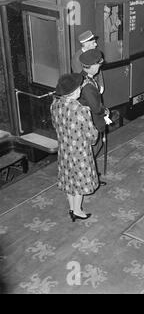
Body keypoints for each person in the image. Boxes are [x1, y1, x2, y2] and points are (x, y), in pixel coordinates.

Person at [50, 73, 97, 222]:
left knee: (68, 179)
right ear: (75, 91)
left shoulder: (54, 105)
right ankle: (77, 211)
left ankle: (71, 208)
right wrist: (94, 137)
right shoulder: (81, 110)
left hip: (64, 150)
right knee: (79, 182)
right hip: (80, 152)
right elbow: (91, 134)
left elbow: (55, 126)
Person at [78, 49, 118, 186]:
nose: (100, 67)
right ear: (93, 66)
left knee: (92, 149)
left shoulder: (83, 77)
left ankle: (90, 172)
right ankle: (87, 176)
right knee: (94, 148)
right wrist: (105, 111)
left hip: (87, 121)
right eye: (99, 65)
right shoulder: (88, 85)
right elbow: (96, 108)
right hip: (92, 122)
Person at [71, 30, 105, 95]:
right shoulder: (77, 58)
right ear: (86, 44)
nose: (96, 44)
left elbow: (99, 71)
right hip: (88, 91)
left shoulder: (93, 53)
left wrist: (101, 85)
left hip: (96, 87)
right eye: (93, 43)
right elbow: (81, 77)